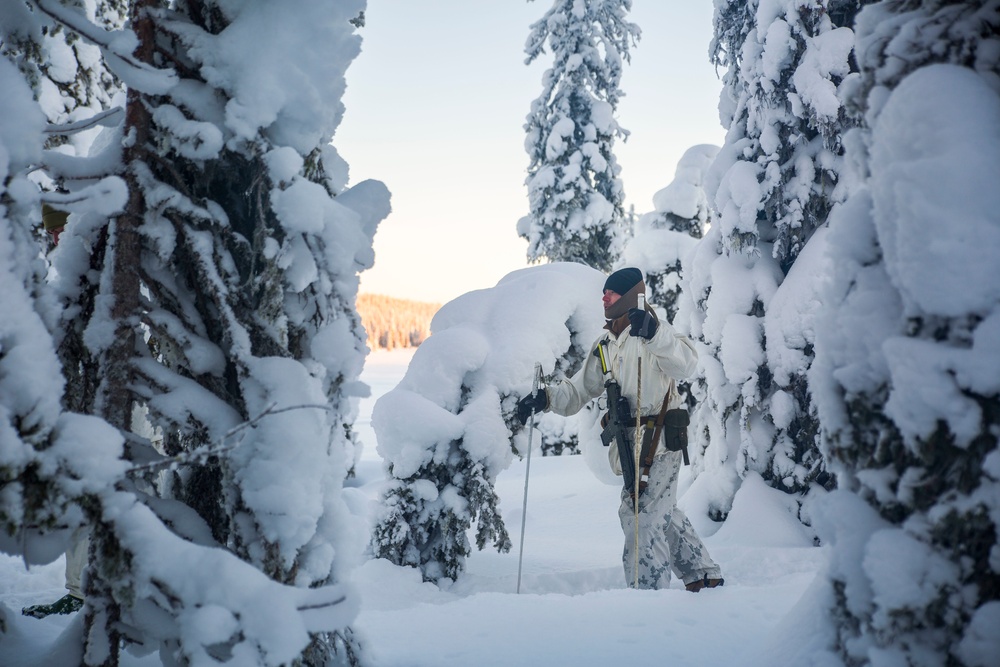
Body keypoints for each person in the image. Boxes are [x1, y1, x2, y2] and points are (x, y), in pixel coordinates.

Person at [516, 267, 724, 591]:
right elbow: (579, 389)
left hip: (661, 442)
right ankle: (703, 573)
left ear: (628, 296)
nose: (603, 298)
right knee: (657, 511)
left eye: (610, 293)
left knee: (641, 517)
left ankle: (647, 597)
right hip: (628, 444)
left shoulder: (654, 333)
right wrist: (545, 398)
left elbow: (687, 363)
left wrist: (654, 333)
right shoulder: (606, 344)